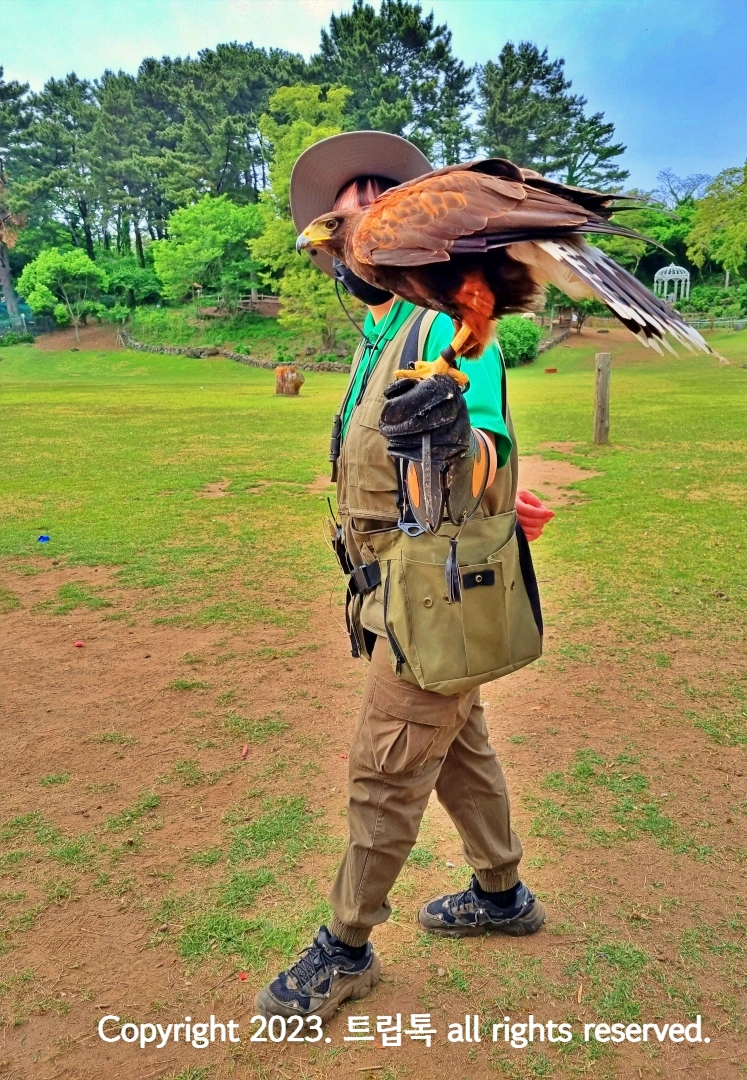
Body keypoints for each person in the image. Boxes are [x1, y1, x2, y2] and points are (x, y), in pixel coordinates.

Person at [254, 131, 555, 1022]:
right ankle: (502, 895)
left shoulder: (443, 321)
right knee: (459, 745)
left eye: (380, 198)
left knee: (385, 766)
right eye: (346, 207)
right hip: (390, 585)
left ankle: (344, 948)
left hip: (432, 589)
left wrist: (467, 451)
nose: (361, 214)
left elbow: (489, 444)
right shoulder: (381, 331)